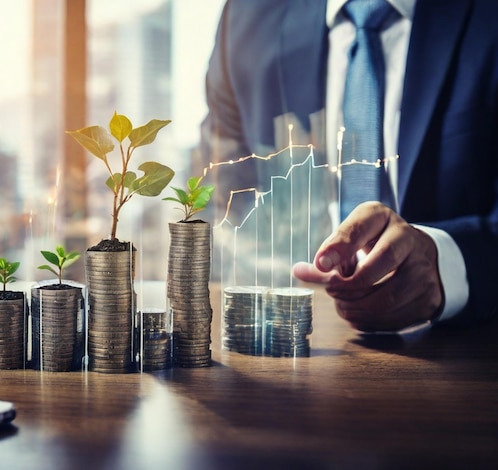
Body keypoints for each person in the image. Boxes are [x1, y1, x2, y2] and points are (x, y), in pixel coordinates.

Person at [198, 0, 498, 332]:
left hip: (469, 353)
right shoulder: (248, 17)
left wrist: (450, 264)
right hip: (295, 345)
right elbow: (223, 199)